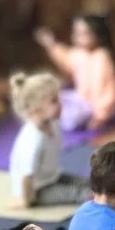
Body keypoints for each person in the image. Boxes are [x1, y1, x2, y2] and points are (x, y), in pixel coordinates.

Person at [9, 71, 90, 208]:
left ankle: (103, 190)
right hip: (37, 190)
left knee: (88, 182)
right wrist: (25, 201)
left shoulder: (52, 124)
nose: (61, 104)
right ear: (35, 110)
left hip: (52, 178)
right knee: (79, 193)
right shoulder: (32, 140)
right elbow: (25, 176)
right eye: (54, 101)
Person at [35, 15, 115, 131]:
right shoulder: (79, 54)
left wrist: (100, 116)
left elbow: (110, 92)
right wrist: (50, 43)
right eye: (76, 33)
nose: (78, 37)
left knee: (70, 118)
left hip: (96, 108)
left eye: (84, 33)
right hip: (81, 101)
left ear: (97, 34)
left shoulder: (102, 57)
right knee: (50, 96)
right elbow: (64, 58)